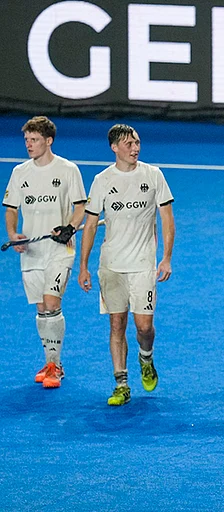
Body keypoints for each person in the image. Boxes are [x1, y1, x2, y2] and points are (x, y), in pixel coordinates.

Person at [78, 124, 175, 406]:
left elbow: (167, 219)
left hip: (144, 265)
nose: (135, 148)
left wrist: (166, 257)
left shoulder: (153, 175)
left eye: (137, 143)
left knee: (144, 326)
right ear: (114, 148)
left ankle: (146, 358)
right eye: (129, 144)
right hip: (111, 265)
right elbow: (91, 224)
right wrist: (83, 265)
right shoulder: (102, 180)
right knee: (117, 323)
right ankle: (121, 383)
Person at [3, 116, 86, 388]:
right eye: (27, 139)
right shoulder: (20, 173)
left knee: (52, 302)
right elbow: (11, 208)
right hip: (32, 252)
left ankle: (55, 366)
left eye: (34, 140)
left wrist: (70, 227)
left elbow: (80, 207)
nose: (29, 144)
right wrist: (14, 235)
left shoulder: (68, 169)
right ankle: (51, 361)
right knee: (41, 308)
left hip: (60, 250)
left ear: (48, 141)